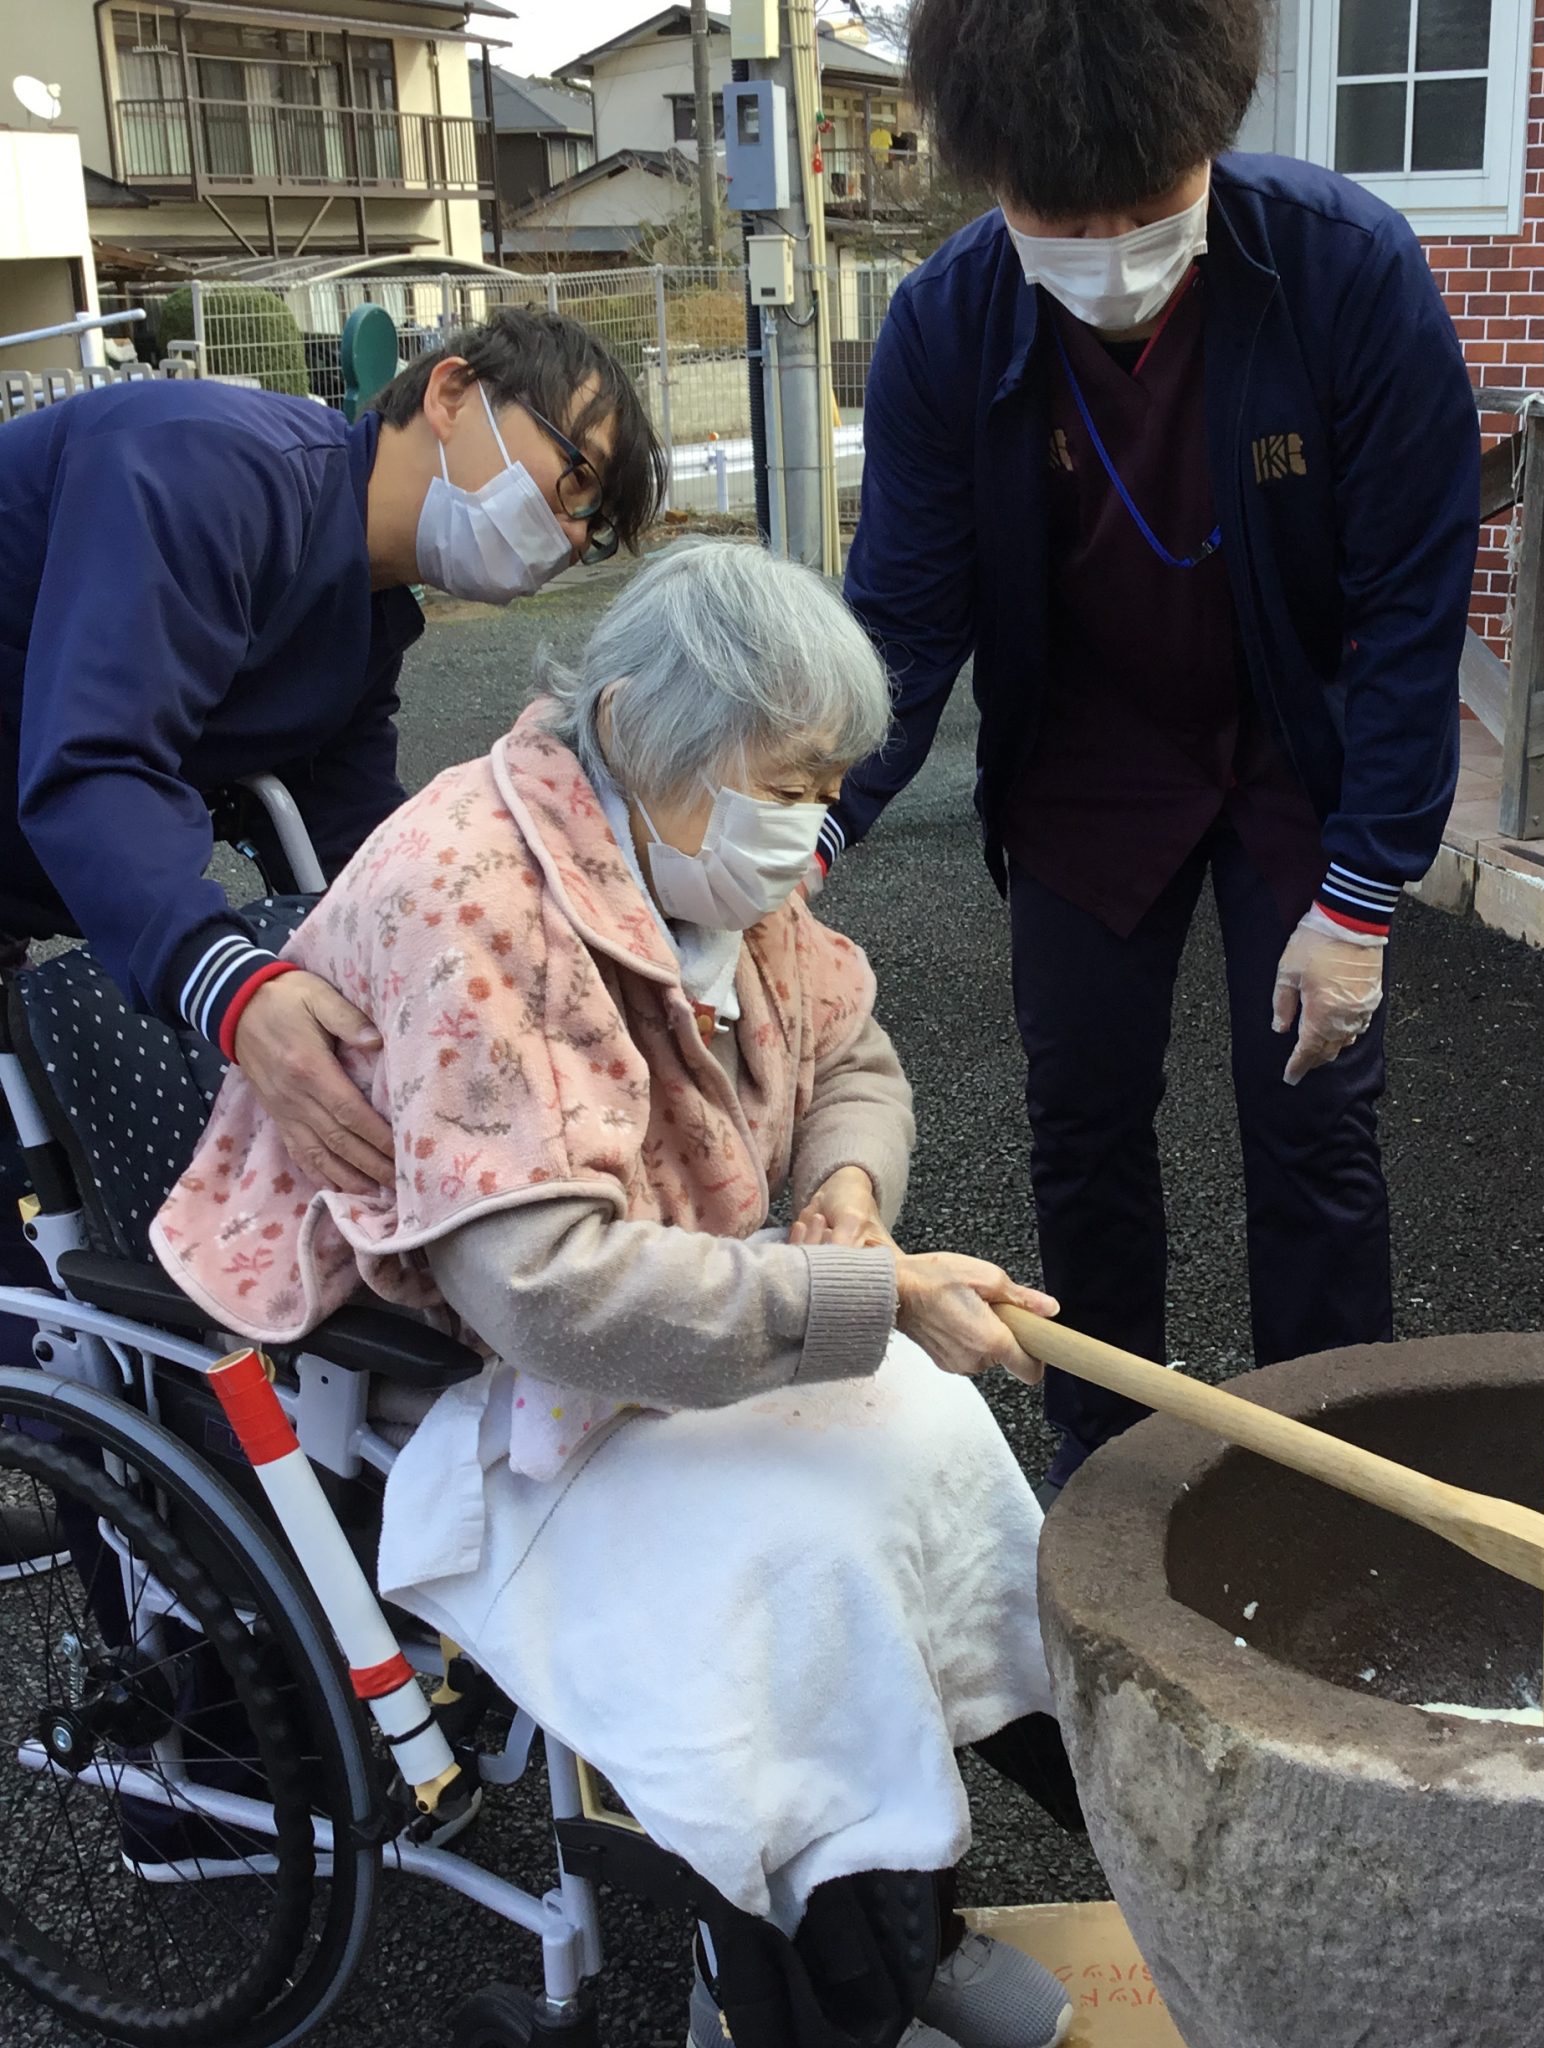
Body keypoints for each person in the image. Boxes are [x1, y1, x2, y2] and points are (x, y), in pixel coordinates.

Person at [152, 543, 1078, 2048]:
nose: (813, 824)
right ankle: (809, 1975)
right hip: (442, 1342)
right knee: (790, 1556)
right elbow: (540, 1293)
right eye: (789, 784)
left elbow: (849, 1050)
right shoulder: (470, 891)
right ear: (645, 731)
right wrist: (859, 1294)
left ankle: (900, 1901)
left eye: (826, 784)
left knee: (933, 1447)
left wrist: (848, 1196)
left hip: (659, 1280)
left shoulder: (700, 843)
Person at [813, 0, 1481, 1498]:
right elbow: (901, 626)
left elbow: (1407, 609)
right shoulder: (945, 326)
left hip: (1289, 750)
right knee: (1082, 1115)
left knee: (1313, 1122)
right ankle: (1103, 1461)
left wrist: (1363, 891)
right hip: (1085, 752)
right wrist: (811, 824)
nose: (1110, 249)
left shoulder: (1346, 270)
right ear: (993, 174)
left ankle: (1332, 1464)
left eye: (1145, 205)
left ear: (1208, 137)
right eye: (1064, 218)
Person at [0, 306, 665, 1365]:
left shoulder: (364, 617)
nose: (576, 534)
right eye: (575, 478)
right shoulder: (201, 470)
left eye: (599, 528)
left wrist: (519, 958)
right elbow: (98, 762)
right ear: (450, 393)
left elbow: (370, 849)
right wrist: (236, 991)